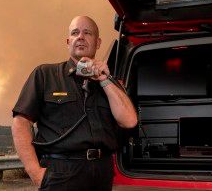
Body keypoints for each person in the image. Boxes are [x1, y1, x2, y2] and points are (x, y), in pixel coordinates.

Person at [11, 16, 138, 191]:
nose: (81, 37)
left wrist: (105, 80)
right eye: (75, 33)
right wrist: (35, 172)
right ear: (68, 41)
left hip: (101, 171)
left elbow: (129, 120)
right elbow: (20, 123)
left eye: (88, 33)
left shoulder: (109, 81)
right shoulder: (45, 74)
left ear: (98, 42)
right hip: (60, 172)